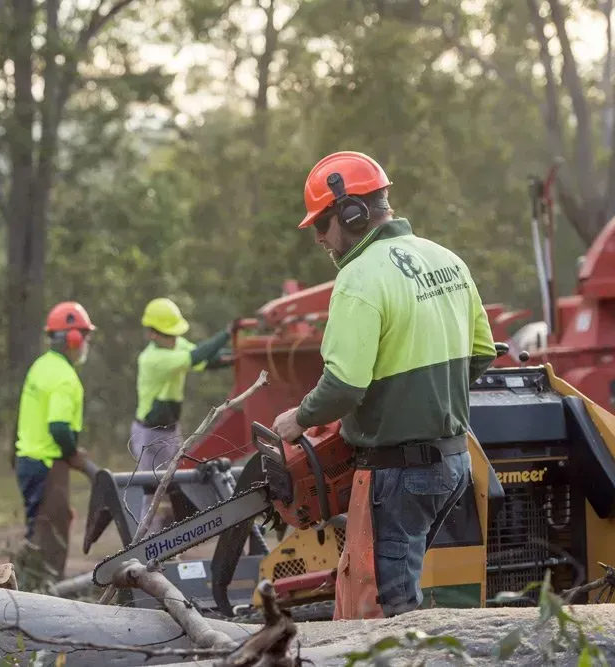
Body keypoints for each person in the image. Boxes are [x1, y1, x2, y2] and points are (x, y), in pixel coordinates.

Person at [271, 150, 497, 620]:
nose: (318, 238)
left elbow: (344, 387)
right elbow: (481, 355)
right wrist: (425, 402)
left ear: (350, 213)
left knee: (389, 611)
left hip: (399, 472)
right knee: (400, 588)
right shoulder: (447, 260)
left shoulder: (359, 277)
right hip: (453, 463)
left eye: (321, 223)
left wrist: (299, 419)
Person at [131, 297, 234, 532]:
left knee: (174, 484)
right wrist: (226, 334)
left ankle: (171, 536)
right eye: (169, 334)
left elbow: (206, 359)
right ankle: (144, 539)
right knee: (153, 489)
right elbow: (195, 357)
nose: (174, 339)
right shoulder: (153, 359)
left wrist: (239, 355)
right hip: (149, 433)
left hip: (170, 429)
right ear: (152, 334)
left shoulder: (176, 346)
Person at [14, 301, 99, 581]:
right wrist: (73, 452)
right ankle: (42, 593)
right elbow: (59, 428)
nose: (85, 342)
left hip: (28, 460)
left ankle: (30, 586)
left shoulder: (40, 366)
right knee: (50, 537)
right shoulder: (65, 377)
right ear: (73, 338)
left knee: (38, 529)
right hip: (48, 464)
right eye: (84, 336)